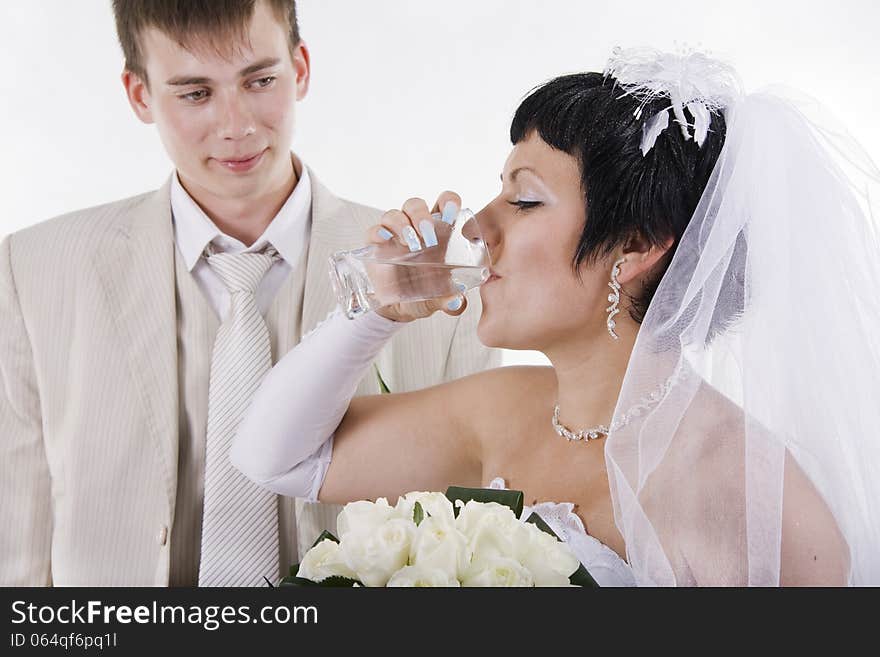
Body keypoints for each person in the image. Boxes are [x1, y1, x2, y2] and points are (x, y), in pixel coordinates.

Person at [233, 47, 880, 586]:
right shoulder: (506, 407)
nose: (480, 226)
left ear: (633, 246)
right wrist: (376, 309)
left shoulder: (761, 504)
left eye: (524, 199)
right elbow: (274, 457)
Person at [0, 0, 498, 587]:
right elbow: (18, 549)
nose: (236, 125)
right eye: (194, 93)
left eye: (259, 81)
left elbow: (477, 532)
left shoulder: (441, 276)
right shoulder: (30, 270)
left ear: (301, 68)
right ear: (139, 95)